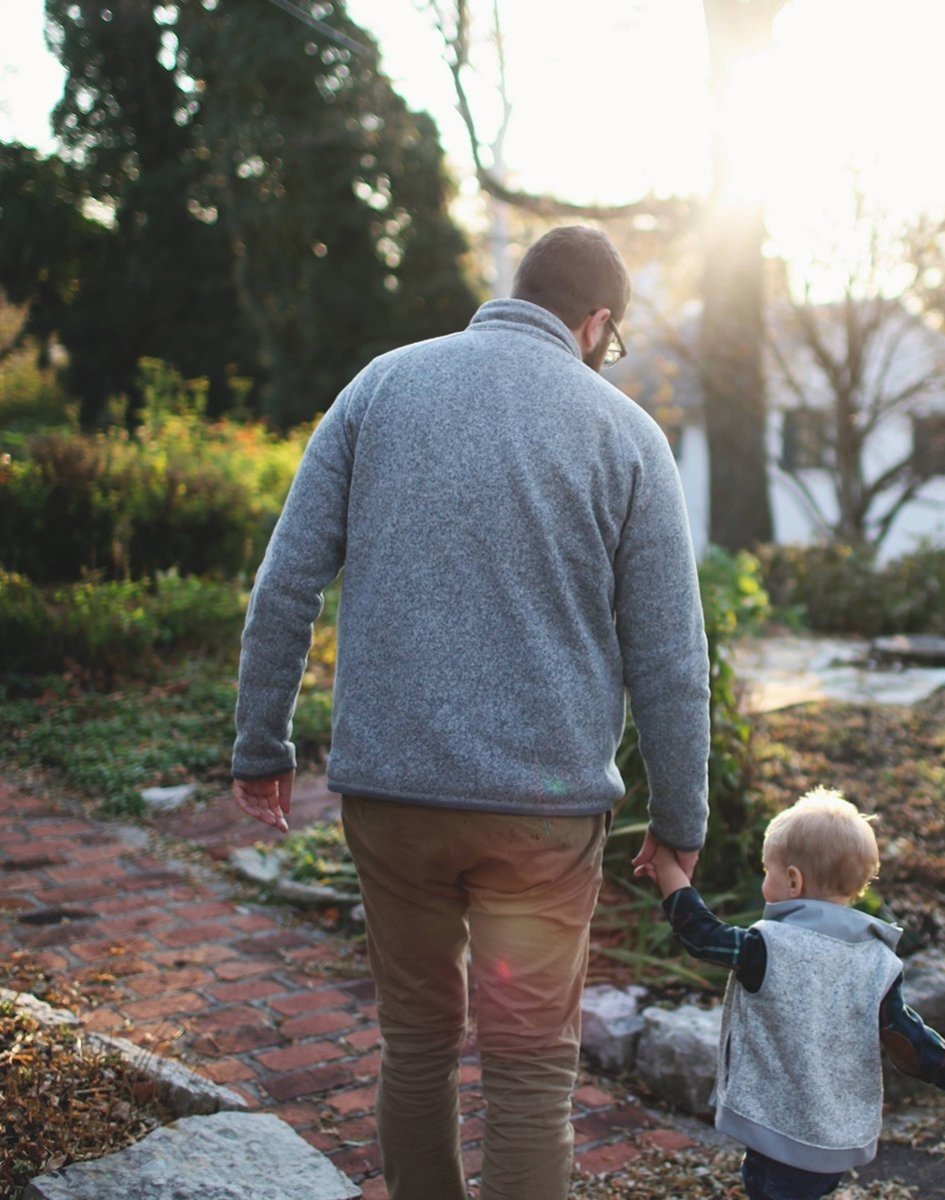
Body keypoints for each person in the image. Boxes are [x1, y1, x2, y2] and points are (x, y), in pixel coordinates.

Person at [229, 225, 711, 1200]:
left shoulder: (380, 388)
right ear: (597, 321)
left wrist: (261, 743)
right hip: (542, 812)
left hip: (392, 796)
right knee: (531, 1073)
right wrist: (681, 826)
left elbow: (285, 585)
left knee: (416, 1049)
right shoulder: (627, 438)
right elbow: (671, 660)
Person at [639, 786, 945, 1200]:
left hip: (779, 1137)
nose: (764, 881)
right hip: (833, 1141)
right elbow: (906, 1034)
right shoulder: (875, 960)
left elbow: (702, 936)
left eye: (767, 871)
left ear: (792, 881)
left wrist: (668, 870)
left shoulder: (769, 947)